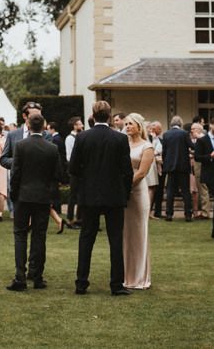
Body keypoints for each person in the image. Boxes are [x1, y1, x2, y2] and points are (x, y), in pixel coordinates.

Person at [69, 101, 133, 296]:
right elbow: (127, 172)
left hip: (89, 197)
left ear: (93, 115)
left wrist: (84, 185)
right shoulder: (120, 139)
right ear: (109, 115)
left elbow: (72, 169)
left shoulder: (82, 138)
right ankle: (116, 285)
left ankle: (81, 283)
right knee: (115, 240)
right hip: (114, 196)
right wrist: (125, 193)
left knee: (86, 239)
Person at [7, 113, 62, 291]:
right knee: (40, 236)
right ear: (44, 127)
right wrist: (50, 194)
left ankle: (20, 277)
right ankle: (37, 277)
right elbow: (58, 175)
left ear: (28, 126)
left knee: (20, 235)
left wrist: (14, 194)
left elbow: (15, 174)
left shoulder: (21, 146)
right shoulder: (52, 148)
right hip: (42, 197)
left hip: (23, 196)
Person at [122, 113, 154, 290]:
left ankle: (140, 277)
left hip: (138, 193)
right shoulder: (123, 144)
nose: (127, 126)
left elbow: (141, 173)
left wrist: (125, 187)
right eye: (125, 124)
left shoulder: (147, 147)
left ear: (139, 126)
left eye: (130, 124)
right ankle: (126, 274)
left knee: (139, 234)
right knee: (125, 234)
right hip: (124, 194)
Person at [161, 115, 194, 222]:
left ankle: (169, 214)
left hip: (170, 167)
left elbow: (164, 151)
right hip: (183, 166)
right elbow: (191, 146)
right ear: (180, 123)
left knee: (170, 191)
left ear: (171, 124)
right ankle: (188, 214)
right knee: (185, 191)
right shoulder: (184, 134)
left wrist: (165, 163)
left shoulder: (166, 134)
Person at [194, 117, 214, 241]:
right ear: (212, 125)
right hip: (209, 175)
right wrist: (210, 156)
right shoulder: (202, 140)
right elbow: (197, 157)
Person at [65, 116, 84, 228]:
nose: (82, 125)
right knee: (73, 195)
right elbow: (69, 156)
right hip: (74, 170)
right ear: (75, 126)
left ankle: (80, 218)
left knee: (82, 194)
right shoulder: (70, 138)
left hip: (82, 170)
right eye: (80, 124)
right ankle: (70, 219)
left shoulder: (82, 136)